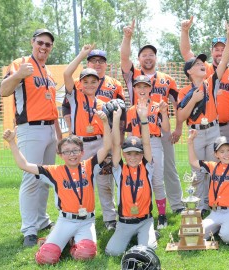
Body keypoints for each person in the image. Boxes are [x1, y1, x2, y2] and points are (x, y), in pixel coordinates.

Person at [2, 108, 114, 265]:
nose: (72, 154)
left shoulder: (89, 166)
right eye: (67, 152)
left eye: (75, 150)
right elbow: (24, 165)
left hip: (86, 221)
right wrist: (12, 142)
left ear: (82, 152)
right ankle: (54, 240)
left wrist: (104, 122)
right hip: (66, 221)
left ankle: (71, 242)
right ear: (60, 155)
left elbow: (107, 145)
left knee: (86, 254)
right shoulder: (54, 171)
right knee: (46, 259)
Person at [0, 28, 62, 247]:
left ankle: (42, 220)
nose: (44, 47)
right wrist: (17, 75)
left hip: (49, 129)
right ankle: (29, 230)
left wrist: (59, 135)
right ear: (32, 42)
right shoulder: (21, 64)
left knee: (45, 178)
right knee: (30, 179)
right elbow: (3, 91)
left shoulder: (48, 72)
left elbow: (52, 107)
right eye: (40, 42)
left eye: (48, 44)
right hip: (30, 128)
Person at [121, 20, 185, 228]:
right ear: (139, 59)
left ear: (156, 58)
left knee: (168, 169)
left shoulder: (167, 79)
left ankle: (175, 204)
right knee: (139, 174)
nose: (148, 57)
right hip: (138, 134)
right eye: (144, 55)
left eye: (151, 54)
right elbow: (123, 57)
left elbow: (177, 104)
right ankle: (142, 209)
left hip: (159, 131)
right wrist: (127, 37)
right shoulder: (134, 76)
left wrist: (177, 128)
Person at [177, 21, 229, 214]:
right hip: (196, 133)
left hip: (213, 129)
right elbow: (181, 116)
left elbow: (225, 60)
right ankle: (199, 206)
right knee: (197, 171)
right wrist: (193, 100)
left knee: (214, 168)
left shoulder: (210, 82)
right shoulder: (185, 90)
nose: (202, 65)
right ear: (189, 72)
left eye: (203, 63)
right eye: (197, 64)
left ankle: (214, 202)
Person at [64, 44, 119, 230]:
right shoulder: (75, 97)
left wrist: (110, 149)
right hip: (80, 145)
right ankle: (82, 215)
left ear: (98, 83)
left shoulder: (103, 103)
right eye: (85, 82)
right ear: (80, 83)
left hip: (99, 144)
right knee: (81, 182)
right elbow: (66, 74)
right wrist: (82, 54)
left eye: (93, 82)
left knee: (104, 182)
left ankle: (110, 218)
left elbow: (109, 129)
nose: (89, 85)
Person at [105, 100, 158, 256]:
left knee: (148, 251)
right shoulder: (119, 169)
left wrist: (144, 119)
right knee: (112, 252)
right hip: (124, 222)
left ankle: (147, 234)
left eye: (137, 153)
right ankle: (133, 236)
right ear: (124, 155)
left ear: (142, 154)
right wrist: (115, 120)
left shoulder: (147, 167)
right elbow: (115, 145)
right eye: (129, 153)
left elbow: (147, 143)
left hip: (145, 220)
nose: (133, 157)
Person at [187, 133, 229, 244]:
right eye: (221, 152)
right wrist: (190, 142)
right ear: (216, 154)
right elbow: (193, 162)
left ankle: (227, 229)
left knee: (227, 237)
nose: (226, 154)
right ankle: (218, 227)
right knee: (195, 235)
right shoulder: (212, 166)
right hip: (216, 212)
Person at [126, 75, 170, 229]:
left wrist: (164, 113)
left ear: (150, 88)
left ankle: (162, 215)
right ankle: (144, 213)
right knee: (140, 181)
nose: (142, 89)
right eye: (139, 86)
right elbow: (129, 133)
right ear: (135, 89)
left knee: (157, 181)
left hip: (154, 142)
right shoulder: (131, 110)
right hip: (136, 145)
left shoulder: (158, 106)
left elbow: (166, 129)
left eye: (145, 86)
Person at [180, 16, 229, 139]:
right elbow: (186, 52)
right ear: (211, 51)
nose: (220, 52)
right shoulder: (203, 68)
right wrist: (185, 31)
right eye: (217, 49)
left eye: (223, 49)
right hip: (208, 125)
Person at [61, 48, 125, 137]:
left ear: (106, 65)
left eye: (101, 61)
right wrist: (70, 128)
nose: (97, 63)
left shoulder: (116, 84)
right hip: (80, 133)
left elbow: (122, 111)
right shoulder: (76, 84)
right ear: (87, 64)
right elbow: (65, 106)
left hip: (104, 134)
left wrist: (120, 136)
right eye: (93, 60)